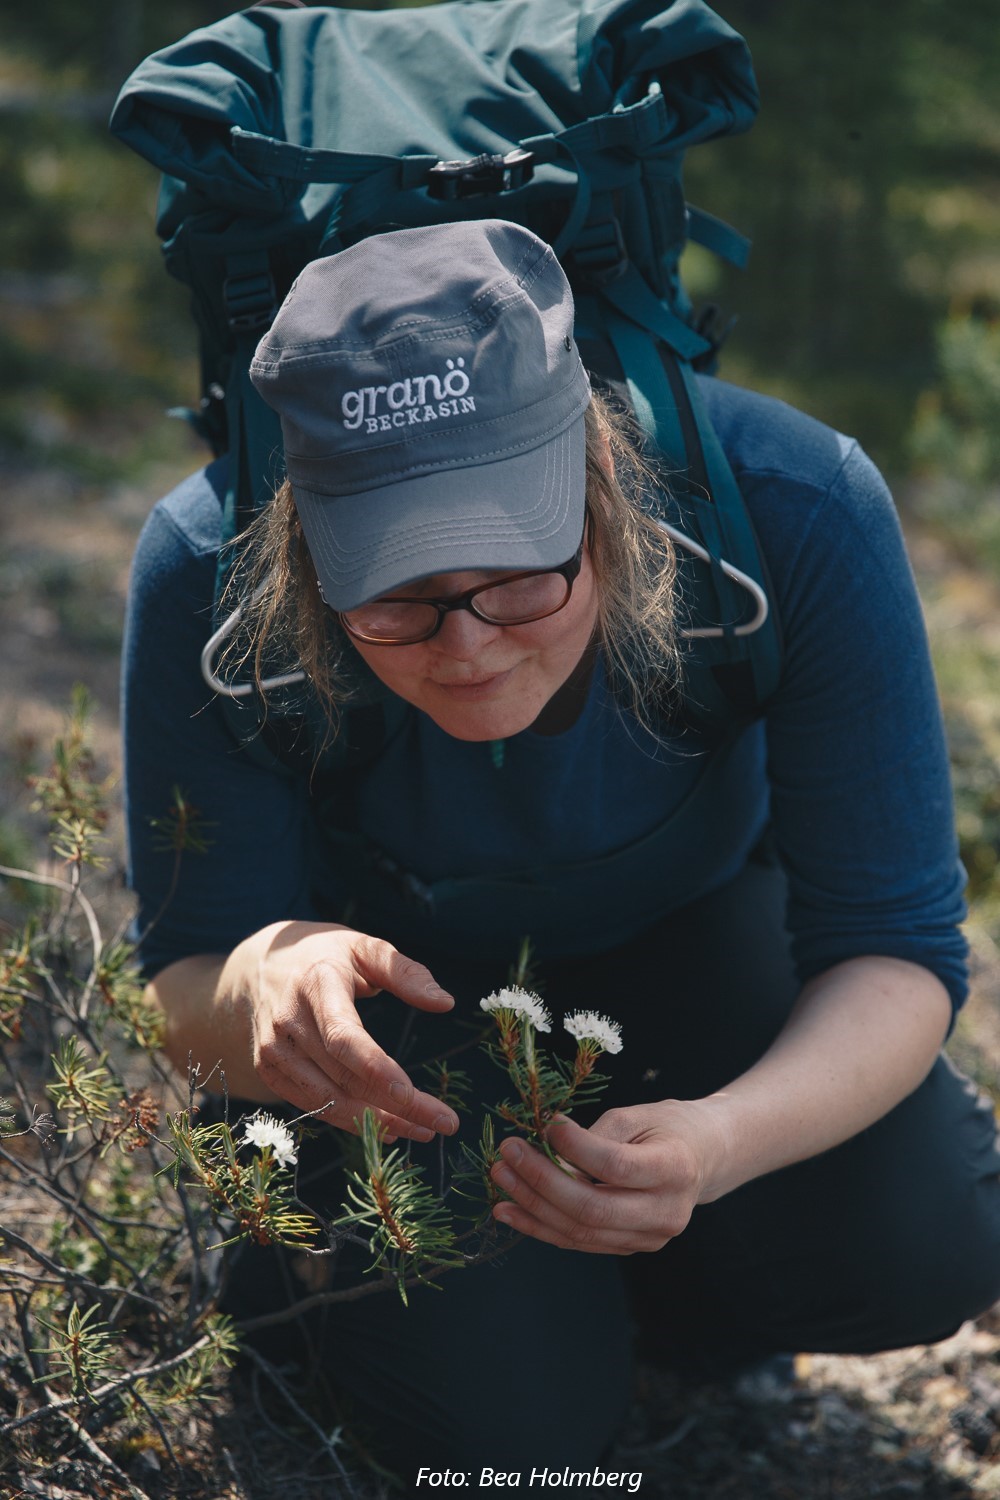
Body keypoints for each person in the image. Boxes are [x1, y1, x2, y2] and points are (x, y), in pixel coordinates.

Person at [123, 218, 1000, 1478]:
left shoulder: (793, 508)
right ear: (303, 548)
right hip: (403, 1039)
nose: (468, 643)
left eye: (521, 574)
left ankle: (639, 1305)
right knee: (515, 1443)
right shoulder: (207, 571)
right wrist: (265, 979)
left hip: (691, 945)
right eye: (392, 597)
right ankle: (385, 1302)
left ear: (598, 483)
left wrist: (718, 1144)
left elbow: (898, 948)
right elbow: (182, 985)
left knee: (927, 1248)